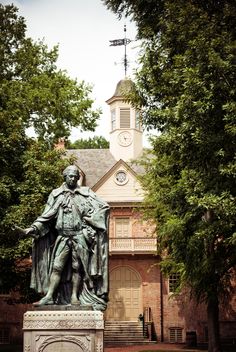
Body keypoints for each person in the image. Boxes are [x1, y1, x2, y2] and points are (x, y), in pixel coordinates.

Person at [25, 165, 109, 310]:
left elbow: (104, 207)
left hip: (79, 236)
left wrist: (90, 220)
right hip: (62, 237)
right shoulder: (56, 194)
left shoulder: (86, 193)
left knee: (77, 268)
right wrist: (32, 229)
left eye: (75, 177)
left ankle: (74, 296)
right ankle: (50, 296)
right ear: (64, 177)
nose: (72, 179)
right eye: (70, 176)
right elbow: (47, 216)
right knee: (57, 267)